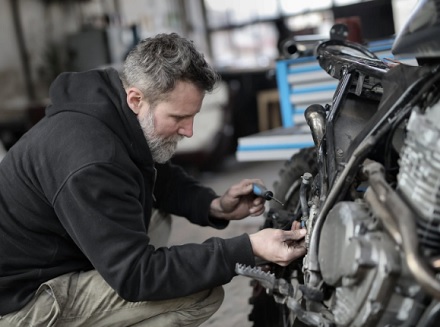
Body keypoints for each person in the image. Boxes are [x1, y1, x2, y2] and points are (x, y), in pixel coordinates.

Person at [0, 33, 306, 327]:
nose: (189, 131)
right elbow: (137, 275)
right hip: (22, 301)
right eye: (178, 118)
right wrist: (248, 248)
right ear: (136, 99)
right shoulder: (92, 159)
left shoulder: (110, 109)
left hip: (48, 260)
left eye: (193, 116)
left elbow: (155, 175)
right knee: (198, 294)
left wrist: (215, 206)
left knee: (156, 212)